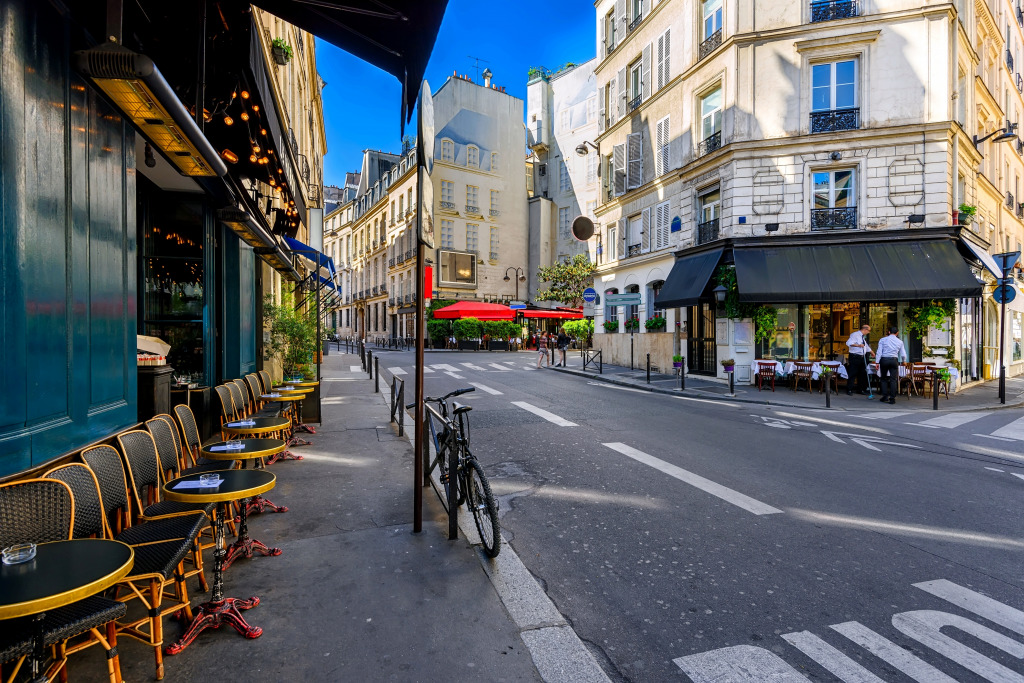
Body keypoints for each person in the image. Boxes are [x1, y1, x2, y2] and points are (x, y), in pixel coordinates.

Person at [875, 326, 906, 405]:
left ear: (889, 332)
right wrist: (904, 361)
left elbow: (879, 352)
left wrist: (877, 362)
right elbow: (903, 353)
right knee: (893, 379)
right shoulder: (900, 341)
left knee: (883, 378)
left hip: (884, 359)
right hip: (894, 360)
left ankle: (885, 396)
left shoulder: (883, 340)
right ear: (897, 333)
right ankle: (892, 398)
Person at [845, 324, 873, 395]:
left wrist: (872, 352)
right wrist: (858, 345)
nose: (868, 332)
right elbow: (848, 343)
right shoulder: (855, 335)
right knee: (853, 373)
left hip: (861, 357)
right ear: (865, 329)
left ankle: (860, 389)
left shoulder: (862, 337)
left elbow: (865, 346)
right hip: (855, 356)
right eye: (868, 331)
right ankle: (849, 389)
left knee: (862, 373)